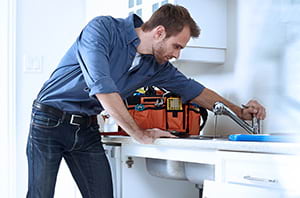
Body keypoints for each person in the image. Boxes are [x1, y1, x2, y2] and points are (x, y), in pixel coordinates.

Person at [26, 3, 266, 198]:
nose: (177, 54)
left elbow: (194, 91)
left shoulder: (156, 66)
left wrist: (239, 111)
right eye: (176, 46)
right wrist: (138, 133)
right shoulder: (102, 30)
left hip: (87, 127)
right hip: (50, 120)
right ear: (159, 32)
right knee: (40, 195)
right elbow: (102, 87)